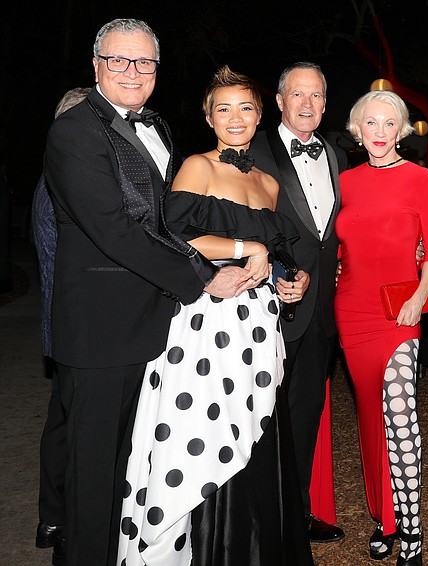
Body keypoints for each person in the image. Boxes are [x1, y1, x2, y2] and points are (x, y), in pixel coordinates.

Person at [42, 19, 251, 565]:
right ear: (96, 67)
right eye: (118, 61)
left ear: (156, 70)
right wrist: (204, 277)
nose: (132, 72)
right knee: (91, 479)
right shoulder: (75, 132)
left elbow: (165, 225)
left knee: (130, 472)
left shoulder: (153, 125)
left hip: (152, 327)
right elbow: (114, 230)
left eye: (144, 63)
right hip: (98, 331)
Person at [115, 66, 313, 565]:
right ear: (208, 117)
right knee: (204, 435)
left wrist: (294, 279)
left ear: (260, 115)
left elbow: (278, 251)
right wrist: (248, 246)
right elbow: (175, 235)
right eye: (222, 109)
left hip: (259, 323)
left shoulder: (268, 183)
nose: (235, 118)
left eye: (245, 108)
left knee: (255, 427)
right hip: (208, 321)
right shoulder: (198, 166)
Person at [336, 89, 428, 566]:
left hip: (401, 313)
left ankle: (414, 533)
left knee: (401, 417)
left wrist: (419, 300)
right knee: (369, 420)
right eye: (370, 124)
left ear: (401, 130)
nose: (379, 133)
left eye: (388, 124)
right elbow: (337, 245)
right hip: (352, 313)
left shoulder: (421, 179)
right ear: (358, 131)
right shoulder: (345, 181)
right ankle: (384, 519)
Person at [251, 62, 345, 542]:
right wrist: (277, 273)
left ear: (325, 105)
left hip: (322, 311)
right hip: (267, 306)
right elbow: (240, 223)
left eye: (316, 96)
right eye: (297, 95)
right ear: (281, 101)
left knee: (305, 415)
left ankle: (296, 513)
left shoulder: (335, 155)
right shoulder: (252, 151)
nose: (307, 105)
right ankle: (255, 518)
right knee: (257, 415)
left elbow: (336, 233)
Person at [33, 86, 90, 566]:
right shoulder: (59, 184)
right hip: (72, 325)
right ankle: (60, 518)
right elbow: (57, 267)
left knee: (63, 421)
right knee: (70, 427)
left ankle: (52, 516)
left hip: (69, 326)